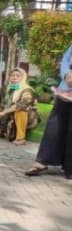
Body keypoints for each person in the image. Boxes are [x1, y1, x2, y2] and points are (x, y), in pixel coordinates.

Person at [25, 43, 72, 178]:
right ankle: (42, 161)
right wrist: (66, 74)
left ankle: (69, 167)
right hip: (65, 90)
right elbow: (65, 59)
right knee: (55, 125)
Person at [0, 68, 34, 144]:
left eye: (18, 76)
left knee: (20, 110)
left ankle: (21, 137)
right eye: (13, 75)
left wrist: (3, 113)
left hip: (24, 116)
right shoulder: (7, 87)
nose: (14, 77)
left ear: (23, 78)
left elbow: (21, 105)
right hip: (8, 114)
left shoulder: (27, 90)